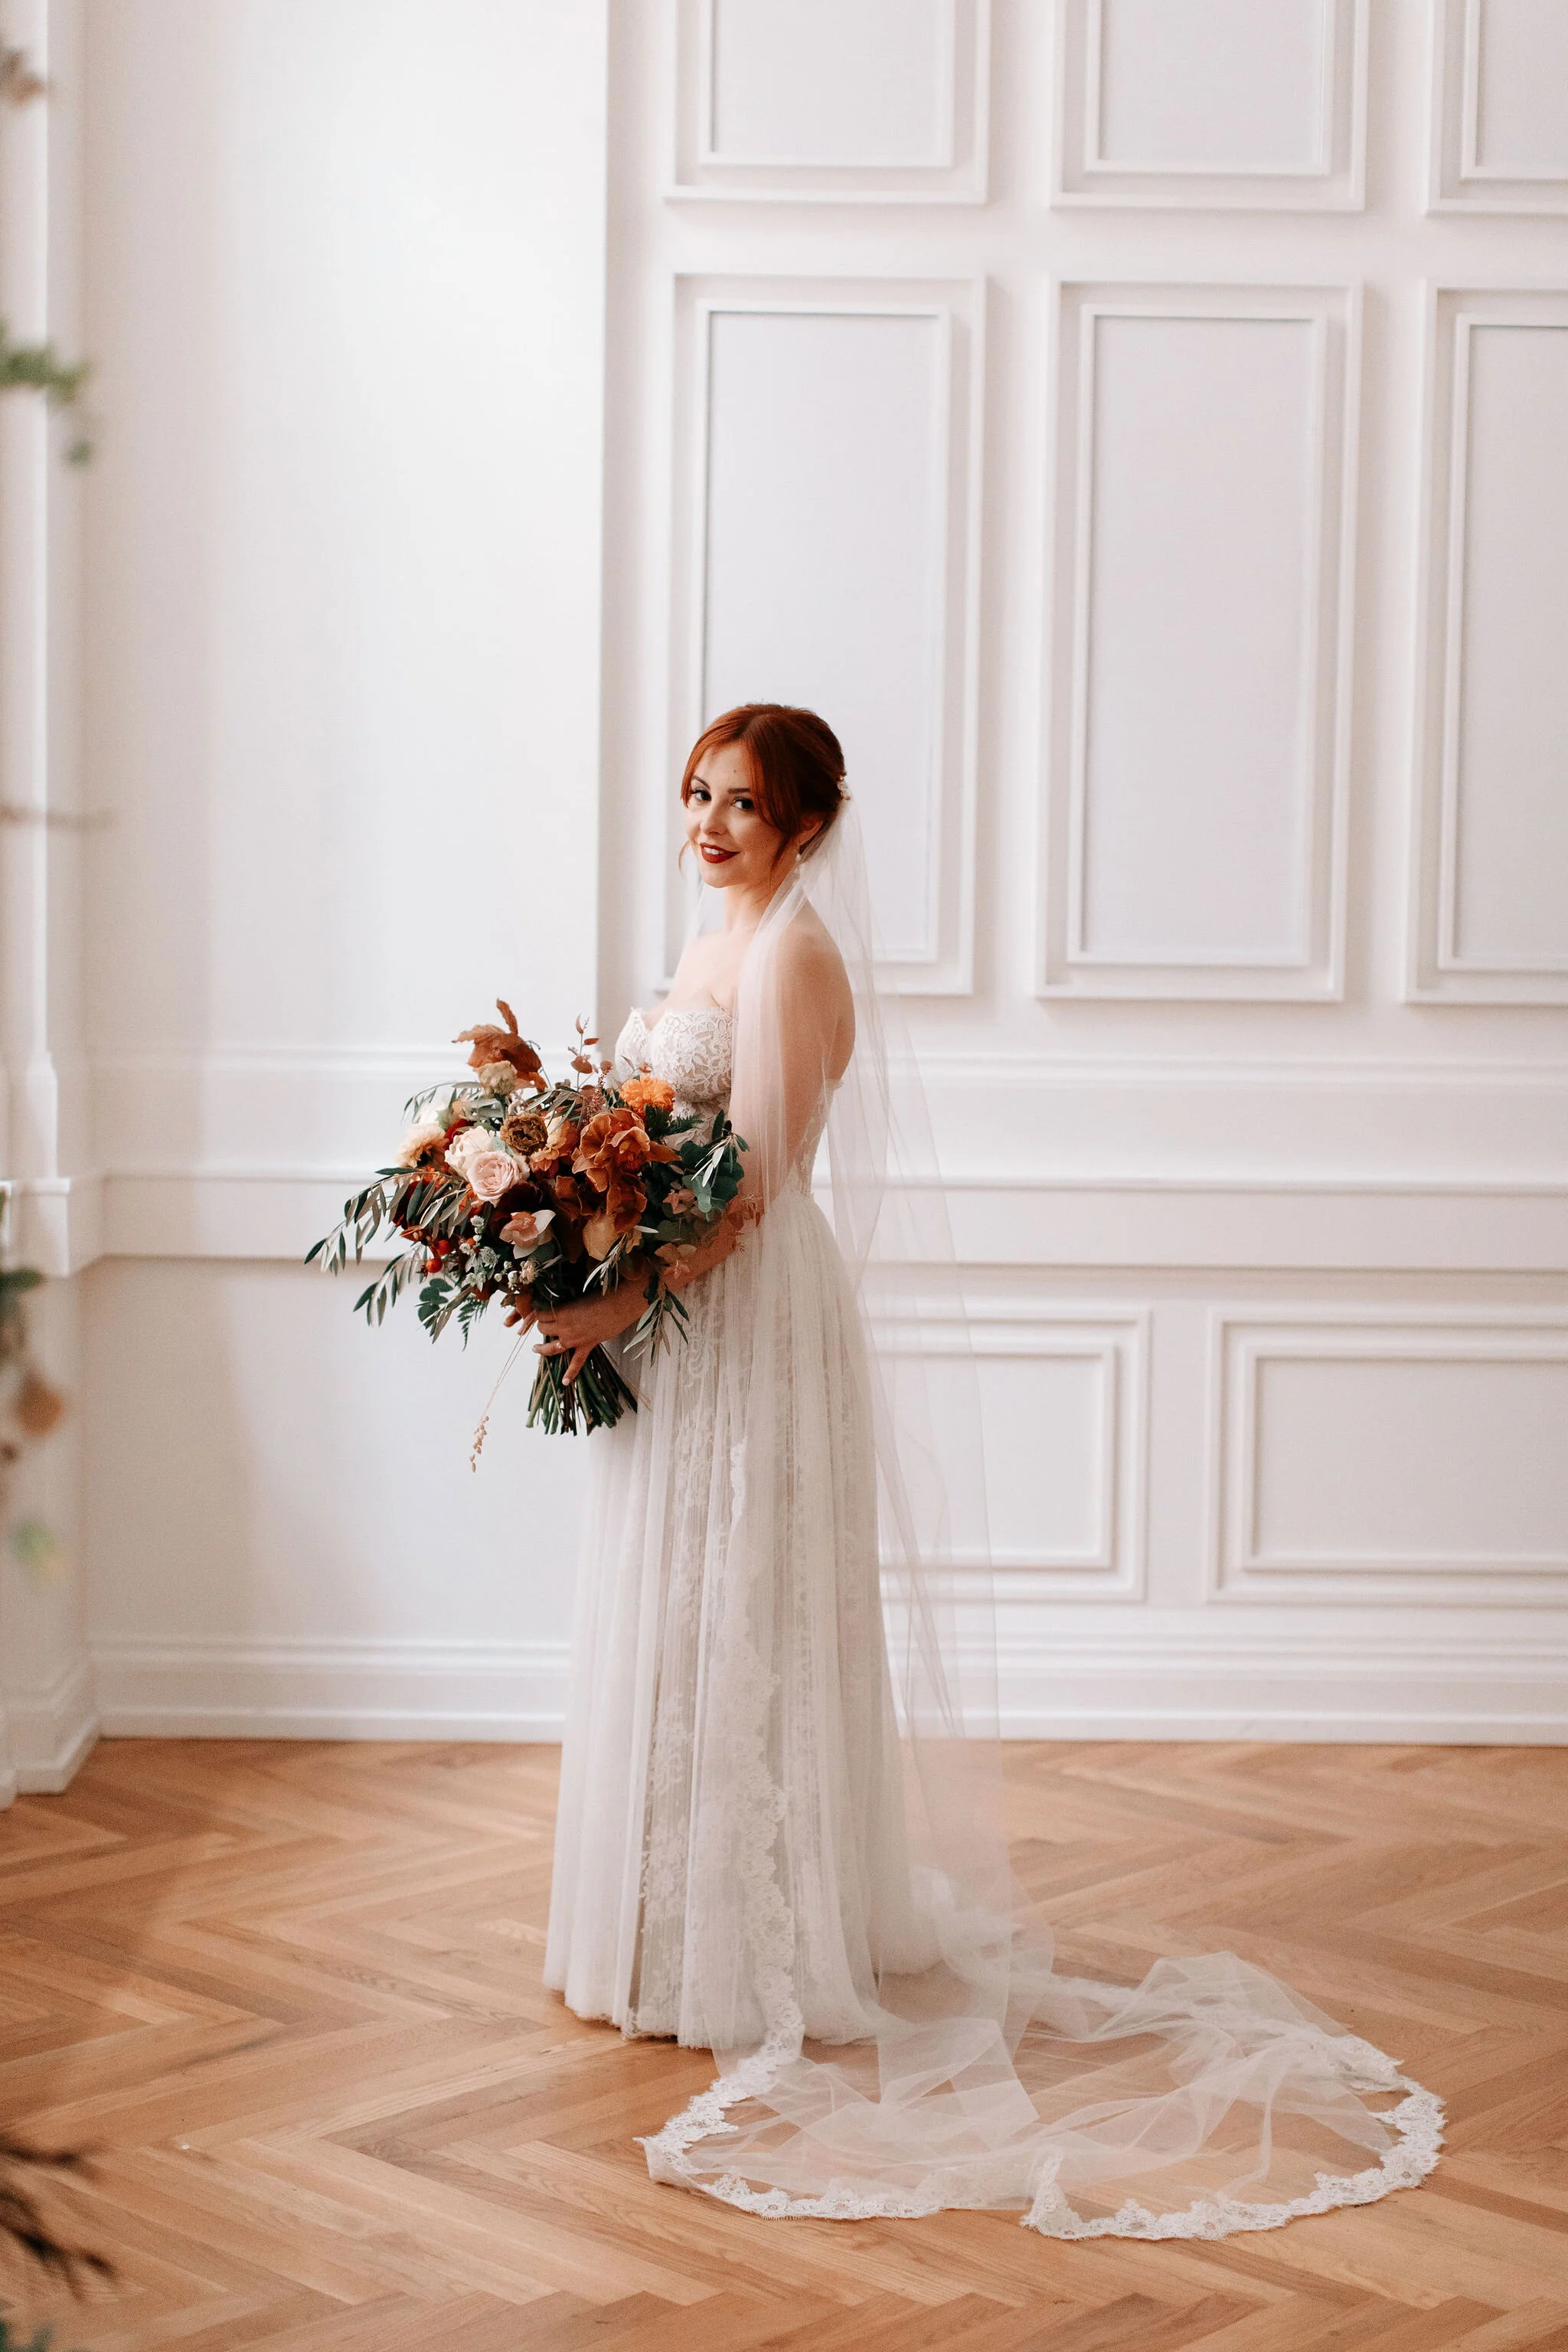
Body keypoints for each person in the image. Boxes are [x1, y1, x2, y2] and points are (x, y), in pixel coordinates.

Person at [524, 703, 1443, 2236]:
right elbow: (649, 1140)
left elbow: (743, 1189)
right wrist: (570, 1229)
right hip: (674, 1306)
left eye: (739, 806)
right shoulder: (704, 945)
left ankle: (749, 1949)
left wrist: (620, 1294)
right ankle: (651, 1929)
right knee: (669, 1582)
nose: (706, 824)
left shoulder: (794, 958)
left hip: (738, 1308)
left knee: (745, 1591)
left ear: (805, 826)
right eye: (694, 795)